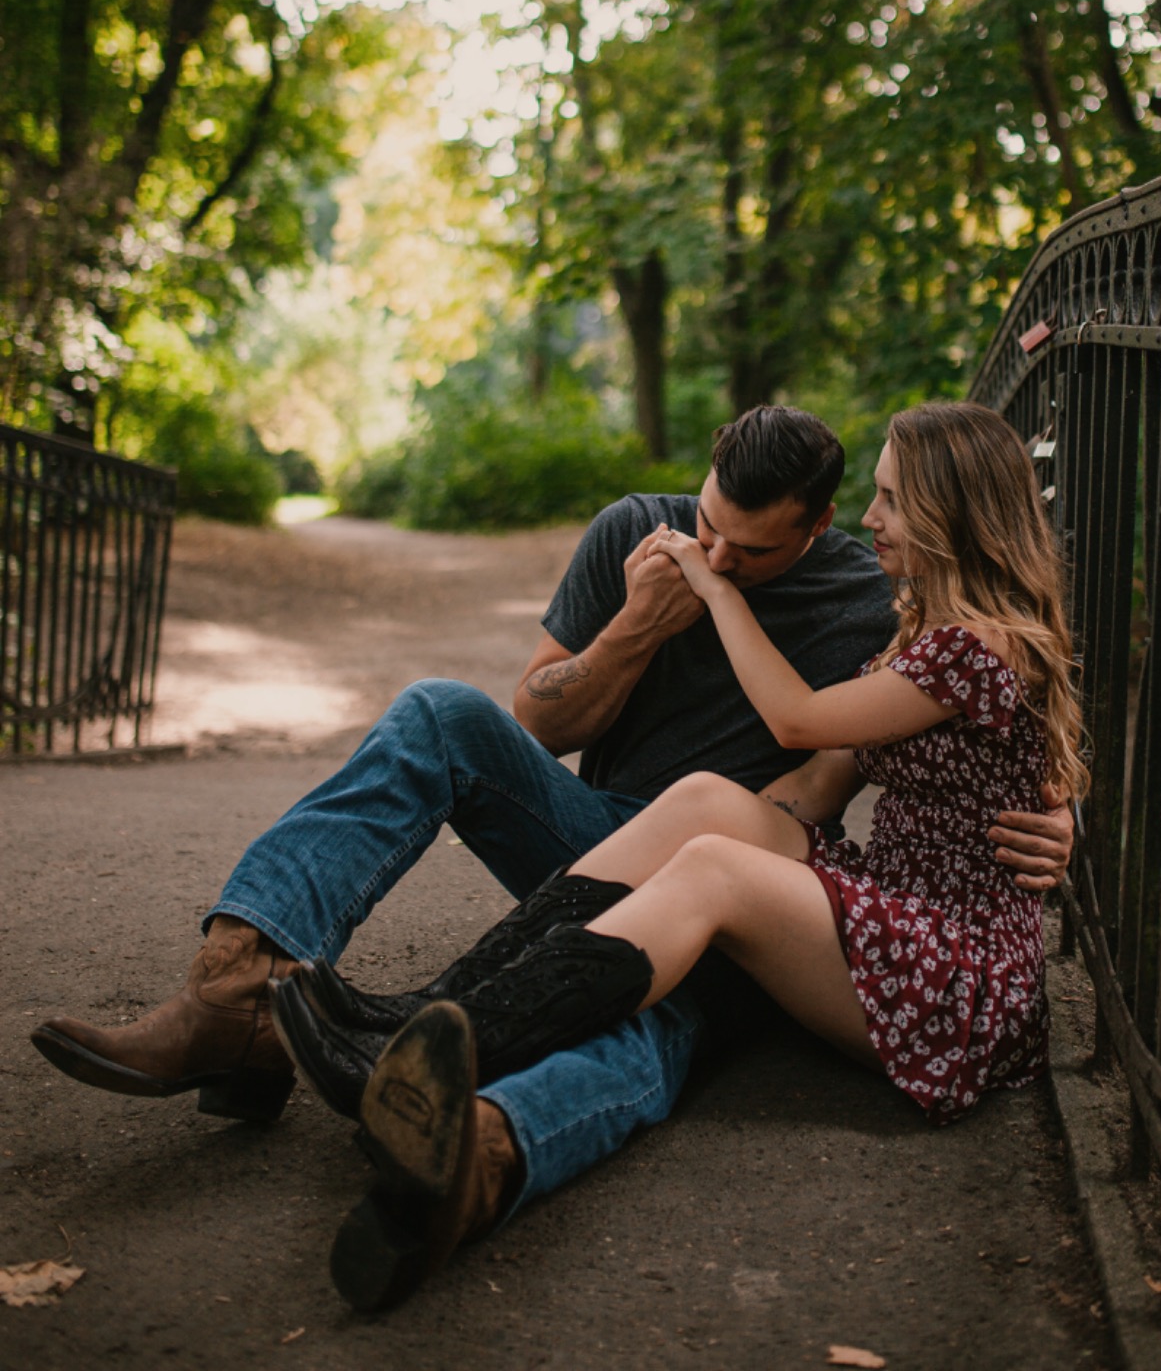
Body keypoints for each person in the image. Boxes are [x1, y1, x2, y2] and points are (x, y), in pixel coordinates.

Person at [32, 406, 1072, 1245]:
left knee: (679, 966)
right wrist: (634, 625)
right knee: (456, 715)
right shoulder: (640, 534)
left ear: (820, 524)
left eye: (750, 549)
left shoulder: (871, 592)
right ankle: (246, 987)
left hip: (782, 912)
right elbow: (546, 722)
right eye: (707, 521)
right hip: (609, 831)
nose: (714, 549)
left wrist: (1060, 815)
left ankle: (486, 1145)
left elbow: (978, 714)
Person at [302, 401, 1087, 1314]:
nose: (876, 518)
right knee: (708, 809)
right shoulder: (923, 622)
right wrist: (706, 833)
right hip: (901, 907)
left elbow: (797, 721)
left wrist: (714, 596)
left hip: (954, 975)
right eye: (874, 497)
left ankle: (451, 1052)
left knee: (713, 869)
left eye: (893, 502)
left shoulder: (971, 647)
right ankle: (422, 1021)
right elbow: (826, 777)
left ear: (955, 514)